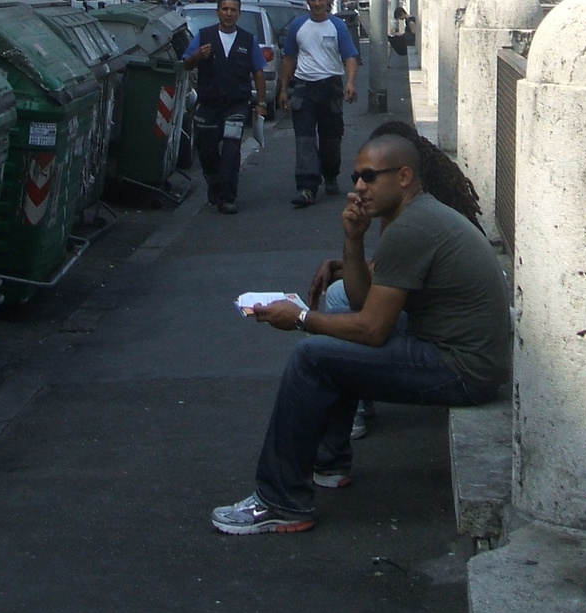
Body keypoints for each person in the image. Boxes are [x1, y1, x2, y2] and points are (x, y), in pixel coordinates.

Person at [210, 132, 511, 534]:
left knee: (311, 356)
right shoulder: (410, 216)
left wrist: (300, 318)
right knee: (335, 341)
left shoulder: (412, 228)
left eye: (369, 176)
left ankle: (279, 500)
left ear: (404, 176)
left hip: (463, 369)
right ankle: (329, 462)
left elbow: (371, 329)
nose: (359, 187)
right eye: (356, 177)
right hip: (457, 352)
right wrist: (353, 241)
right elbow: (361, 301)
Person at [181, 0, 267, 215]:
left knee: (231, 151)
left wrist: (261, 103)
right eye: (225, 9)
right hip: (209, 105)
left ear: (239, 13)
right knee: (207, 150)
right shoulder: (204, 36)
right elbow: (186, 64)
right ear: (218, 11)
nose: (229, 14)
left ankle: (228, 197)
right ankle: (214, 181)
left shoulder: (248, 40)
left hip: (236, 105)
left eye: (233, 10)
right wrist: (198, 56)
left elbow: (258, 72)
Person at [277, 0, 361, 206]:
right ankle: (307, 187)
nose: (317, 4)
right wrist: (284, 89)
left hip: (331, 85)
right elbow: (288, 58)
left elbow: (350, 56)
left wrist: (351, 82)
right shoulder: (298, 26)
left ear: (327, 0)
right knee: (304, 139)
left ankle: (331, 174)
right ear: (308, 1)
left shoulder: (338, 26)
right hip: (305, 87)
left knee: (331, 138)